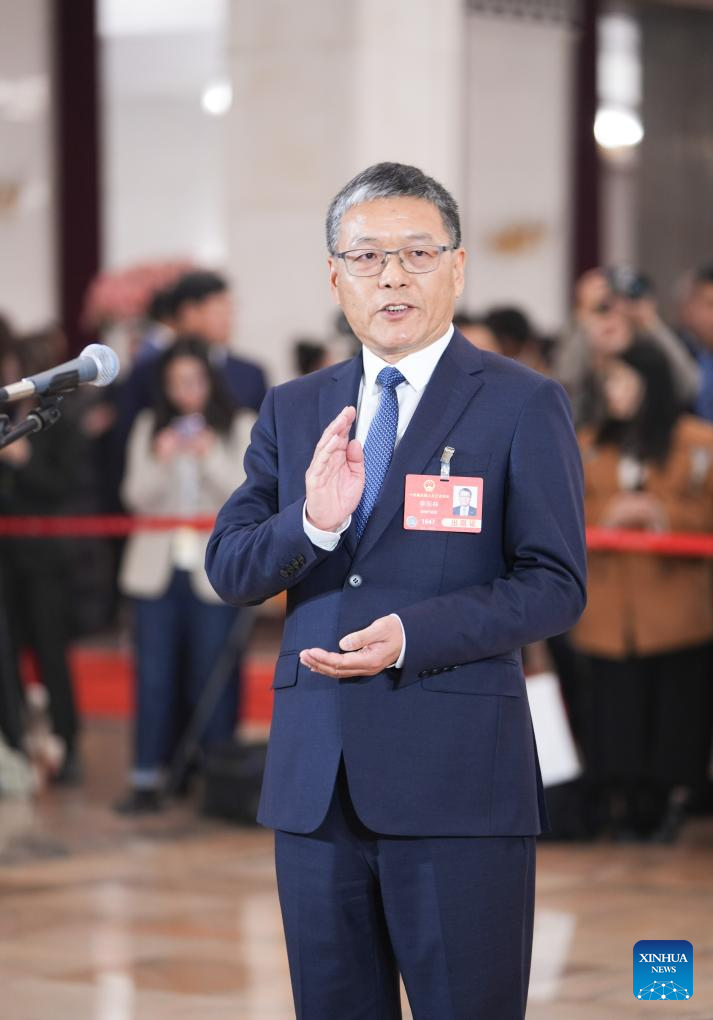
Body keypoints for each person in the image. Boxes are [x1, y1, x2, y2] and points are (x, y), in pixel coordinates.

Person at [205, 162, 586, 1018]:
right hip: (315, 785)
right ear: (333, 276)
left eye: (417, 253)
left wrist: (413, 635)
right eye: (367, 256)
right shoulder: (294, 407)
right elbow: (230, 567)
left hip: (457, 781)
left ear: (457, 267)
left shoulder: (520, 403)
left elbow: (554, 585)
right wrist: (312, 524)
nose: (391, 277)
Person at [572, 342, 713, 841]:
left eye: (623, 380)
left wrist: (660, 514)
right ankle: (619, 802)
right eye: (608, 381)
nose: (612, 391)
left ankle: (670, 802)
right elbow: (562, 507)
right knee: (614, 714)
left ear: (652, 384)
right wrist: (608, 513)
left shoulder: (698, 441)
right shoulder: (588, 442)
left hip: (677, 610)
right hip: (607, 612)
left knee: (676, 715)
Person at [115, 337, 255, 813]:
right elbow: (134, 496)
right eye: (176, 383)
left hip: (214, 573)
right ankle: (147, 778)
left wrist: (209, 453)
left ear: (210, 381)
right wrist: (163, 458)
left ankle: (217, 782)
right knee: (154, 677)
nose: (185, 392)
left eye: (193, 381)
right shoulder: (149, 425)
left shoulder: (238, 423)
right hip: (155, 571)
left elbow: (246, 494)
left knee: (211, 677)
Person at [0, 330, 86, 783]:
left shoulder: (54, 418)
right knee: (7, 652)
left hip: (45, 558)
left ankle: (67, 742)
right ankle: (14, 742)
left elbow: (64, 485)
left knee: (52, 653)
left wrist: (24, 460)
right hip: (6, 557)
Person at [554, 267, 699, 426]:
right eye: (604, 308)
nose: (613, 317)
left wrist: (651, 324)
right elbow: (564, 384)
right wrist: (585, 319)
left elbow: (689, 387)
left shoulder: (649, 353)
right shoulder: (584, 346)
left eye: (622, 308)